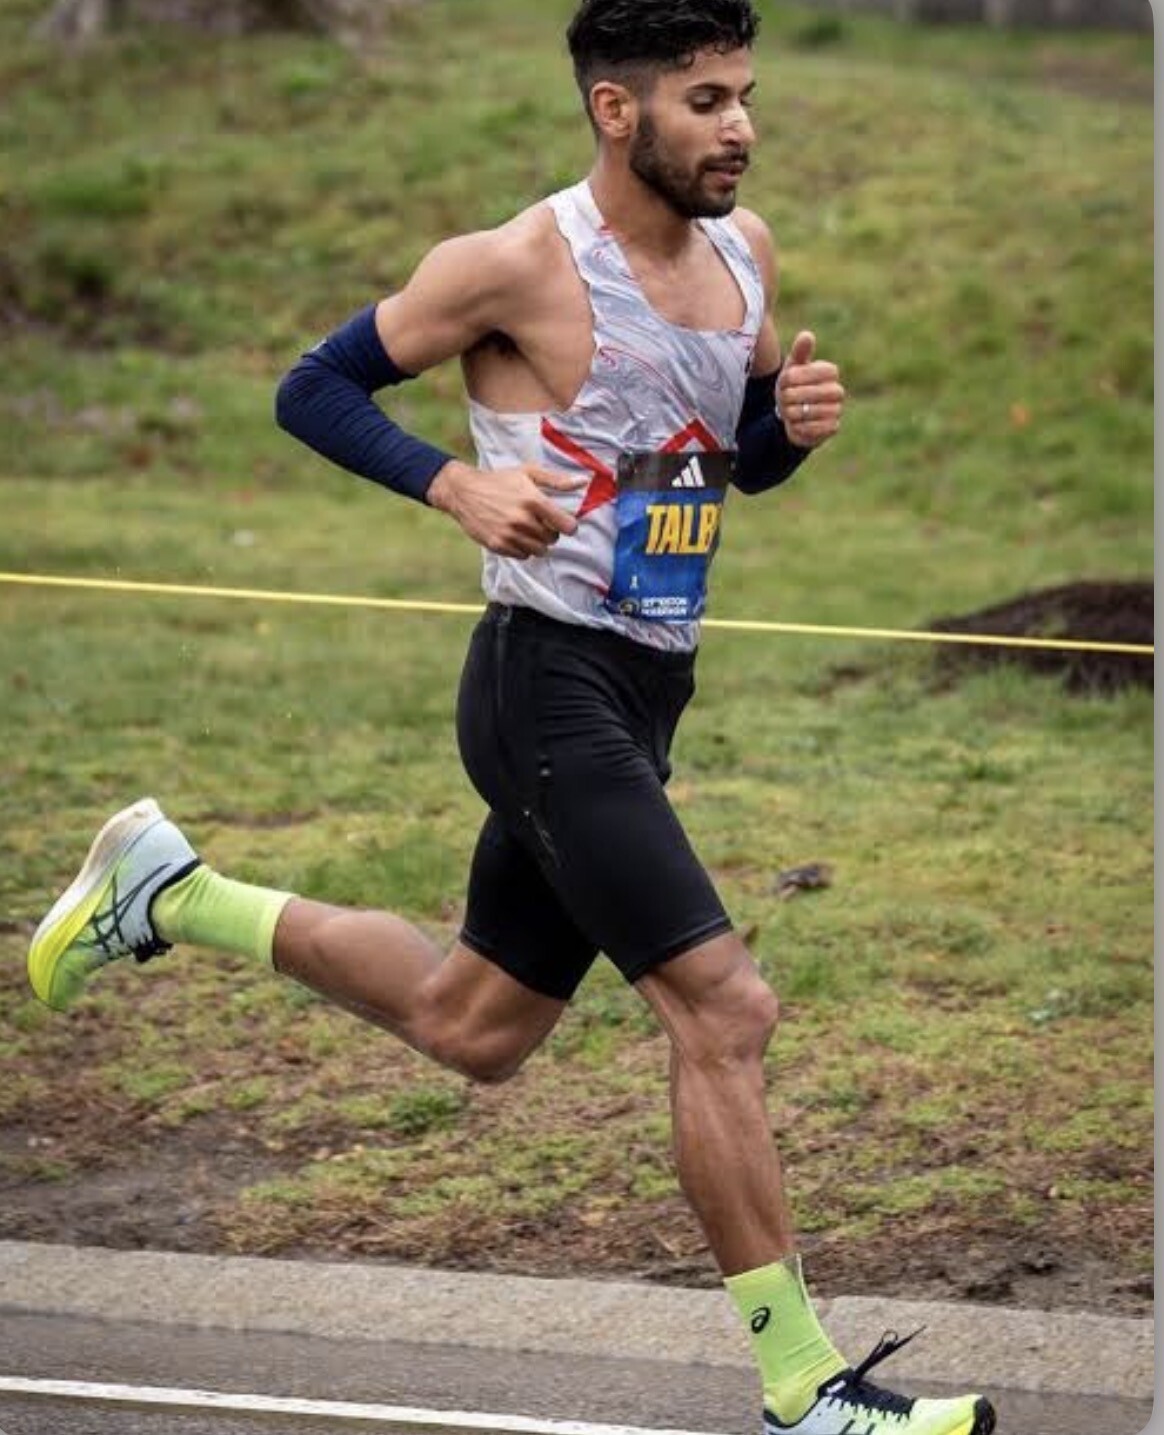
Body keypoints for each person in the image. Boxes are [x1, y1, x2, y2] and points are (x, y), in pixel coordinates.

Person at [27, 3, 995, 1433]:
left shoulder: (745, 250)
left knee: (471, 1025)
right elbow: (312, 387)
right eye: (706, 101)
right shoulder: (516, 264)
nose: (739, 126)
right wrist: (452, 483)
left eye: (744, 95)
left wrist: (785, 426)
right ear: (617, 109)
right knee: (725, 1010)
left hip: (645, 685)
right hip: (543, 683)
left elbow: (720, 465)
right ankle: (807, 1392)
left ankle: (173, 894)